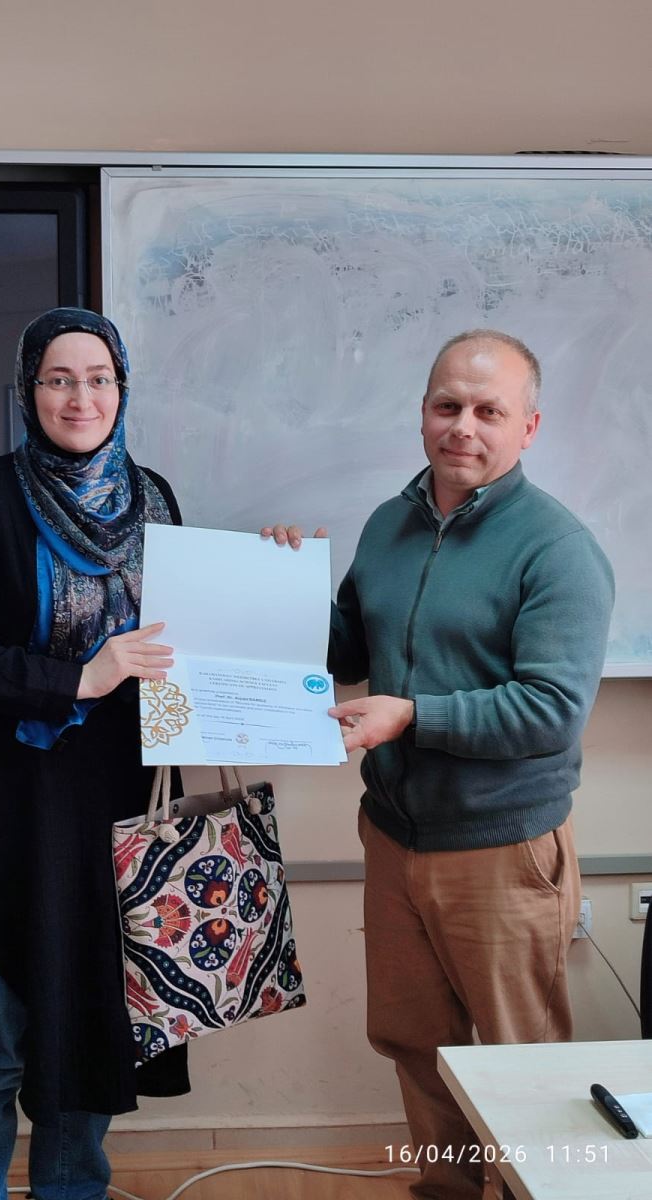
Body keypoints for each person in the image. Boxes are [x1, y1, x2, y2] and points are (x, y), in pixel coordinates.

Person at [265, 330, 614, 1200]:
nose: (464, 426)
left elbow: (550, 708)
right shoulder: (390, 523)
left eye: (489, 410)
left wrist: (414, 715)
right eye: (447, 405)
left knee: (521, 1067)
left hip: (502, 851)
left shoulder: (558, 548)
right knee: (419, 1047)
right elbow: (351, 650)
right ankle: (448, 1193)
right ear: (423, 412)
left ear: (528, 427)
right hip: (394, 838)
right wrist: (284, 585)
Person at [0, 308, 189, 1200]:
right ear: (29, 390)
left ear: (122, 388)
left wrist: (271, 565)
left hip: (111, 813)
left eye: (98, 378)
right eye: (58, 379)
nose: (80, 397)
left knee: (84, 1047)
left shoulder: (155, 500)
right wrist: (78, 679)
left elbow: (189, 636)